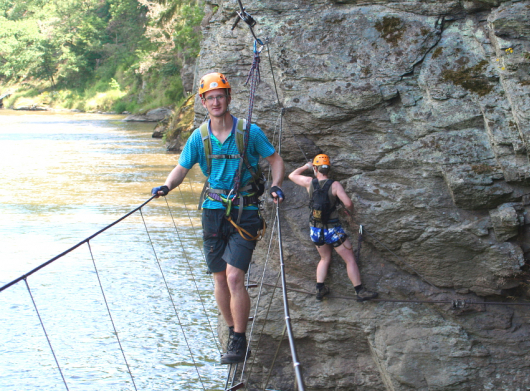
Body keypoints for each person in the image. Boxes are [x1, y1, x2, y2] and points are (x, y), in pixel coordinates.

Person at [152, 72, 285, 364]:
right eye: (210, 97)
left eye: (220, 96)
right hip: (212, 214)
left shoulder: (249, 132)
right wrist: (166, 186)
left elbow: (275, 160)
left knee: (235, 276)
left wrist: (276, 186)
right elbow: (181, 168)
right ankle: (232, 332)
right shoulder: (199, 138)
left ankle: (238, 339)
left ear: (228, 97)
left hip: (245, 212)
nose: (215, 101)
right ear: (203, 101)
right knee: (219, 280)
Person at [288, 154, 378, 302]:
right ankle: (359, 291)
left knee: (324, 258)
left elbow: (292, 175)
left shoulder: (309, 182)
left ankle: (320, 288)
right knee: (350, 260)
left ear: (316, 168)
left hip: (316, 230)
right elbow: (348, 203)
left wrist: (306, 166)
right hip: (333, 230)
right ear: (328, 169)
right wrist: (348, 211)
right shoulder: (334, 185)